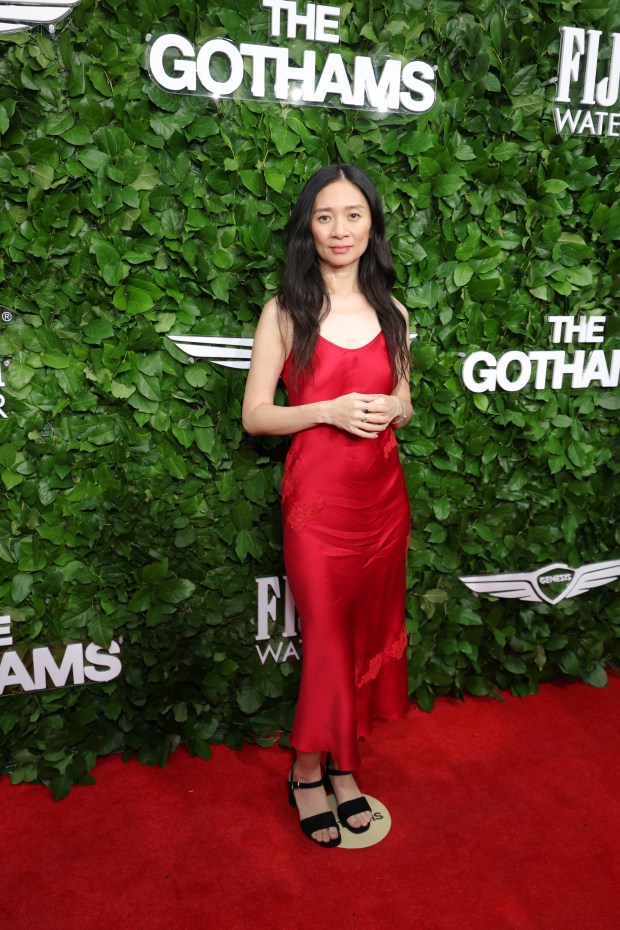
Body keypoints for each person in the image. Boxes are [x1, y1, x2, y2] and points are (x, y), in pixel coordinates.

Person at [242, 164, 412, 848]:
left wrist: (394, 408)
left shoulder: (393, 311)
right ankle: (307, 769)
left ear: (371, 225)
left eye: (353, 215)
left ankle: (344, 767)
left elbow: (404, 400)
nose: (340, 230)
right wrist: (327, 411)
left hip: (383, 503)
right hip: (317, 507)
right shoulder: (284, 312)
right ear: (307, 229)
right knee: (329, 643)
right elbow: (256, 416)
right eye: (324, 216)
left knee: (367, 636)